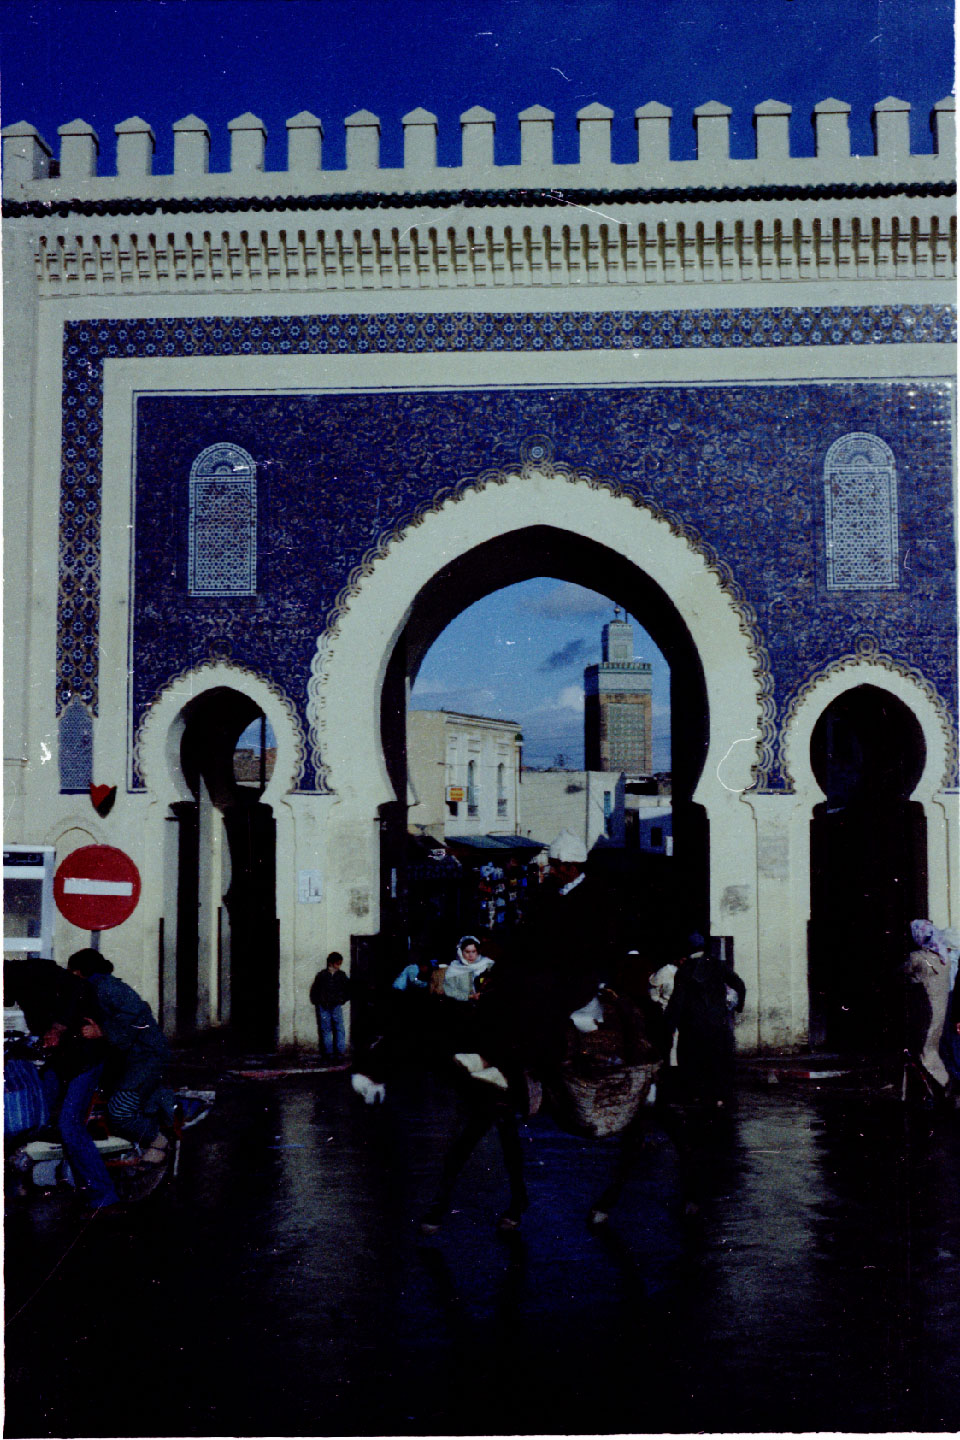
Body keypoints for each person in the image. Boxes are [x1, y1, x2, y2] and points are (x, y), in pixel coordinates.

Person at [4, 957, 124, 1212]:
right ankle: (23, 1180)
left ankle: (105, 1195)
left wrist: (57, 1029)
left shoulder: (34, 971)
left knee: (69, 1125)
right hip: (61, 1059)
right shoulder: (16, 982)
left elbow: (79, 990)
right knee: (33, 1114)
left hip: (86, 1055)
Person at [67, 950, 174, 1164]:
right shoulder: (97, 988)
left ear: (78, 972)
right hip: (130, 1060)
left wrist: (103, 1032)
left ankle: (158, 1141)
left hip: (146, 1058)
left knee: (120, 1111)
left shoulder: (108, 987)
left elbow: (137, 1017)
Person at [664, 934, 746, 1107]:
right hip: (717, 1022)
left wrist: (670, 1024)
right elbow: (739, 984)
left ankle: (696, 1095)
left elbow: (678, 1000)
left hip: (692, 1024)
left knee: (692, 1059)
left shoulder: (685, 970)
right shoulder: (718, 965)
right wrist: (737, 1007)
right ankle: (718, 1097)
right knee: (717, 1058)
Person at [902, 919, 951, 1096]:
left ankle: (944, 1084)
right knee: (932, 1047)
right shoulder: (943, 957)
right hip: (940, 1010)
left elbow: (902, 972)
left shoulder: (917, 958)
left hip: (924, 1010)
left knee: (924, 1051)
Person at [310, 951, 351, 1061]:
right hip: (324, 1006)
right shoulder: (322, 975)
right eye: (337, 963)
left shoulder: (341, 975)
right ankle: (329, 1053)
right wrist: (318, 1002)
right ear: (331, 963)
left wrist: (343, 1000)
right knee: (326, 1029)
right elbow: (315, 990)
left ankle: (340, 1053)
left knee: (339, 1029)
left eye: (340, 963)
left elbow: (349, 989)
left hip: (336, 1005)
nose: (339, 966)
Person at [442, 935, 494, 1001]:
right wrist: (470, 996)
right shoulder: (454, 968)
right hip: (462, 1007)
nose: (471, 955)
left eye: (473, 951)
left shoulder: (486, 964)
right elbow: (449, 991)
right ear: (461, 952)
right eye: (467, 952)